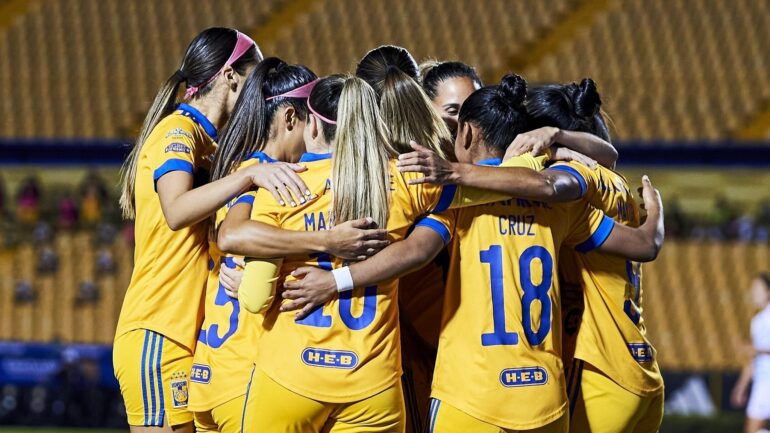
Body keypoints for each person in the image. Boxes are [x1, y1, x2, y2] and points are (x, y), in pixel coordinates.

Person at [280, 74, 664, 433]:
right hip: (544, 395)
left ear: (466, 131)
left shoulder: (453, 194)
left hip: (471, 395)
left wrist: (335, 279)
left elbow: (415, 251)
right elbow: (643, 243)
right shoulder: (560, 193)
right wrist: (655, 212)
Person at [112, 27, 307, 433]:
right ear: (230, 76)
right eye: (252, 78)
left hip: (188, 335)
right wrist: (250, 176)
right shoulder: (177, 132)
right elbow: (177, 210)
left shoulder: (211, 145)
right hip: (159, 330)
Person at [732, 273, 770, 433]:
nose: (753, 293)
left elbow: (756, 351)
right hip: (761, 381)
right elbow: (753, 360)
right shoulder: (757, 321)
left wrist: (756, 349)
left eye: (757, 288)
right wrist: (741, 386)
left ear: (768, 291)